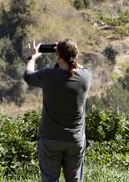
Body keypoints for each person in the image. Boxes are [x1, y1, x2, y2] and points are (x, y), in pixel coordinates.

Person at [23, 38, 92, 182]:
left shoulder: (48, 75)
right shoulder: (85, 77)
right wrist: (63, 55)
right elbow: (75, 67)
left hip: (50, 139)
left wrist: (32, 57)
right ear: (76, 55)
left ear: (58, 55)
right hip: (75, 139)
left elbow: (28, 76)